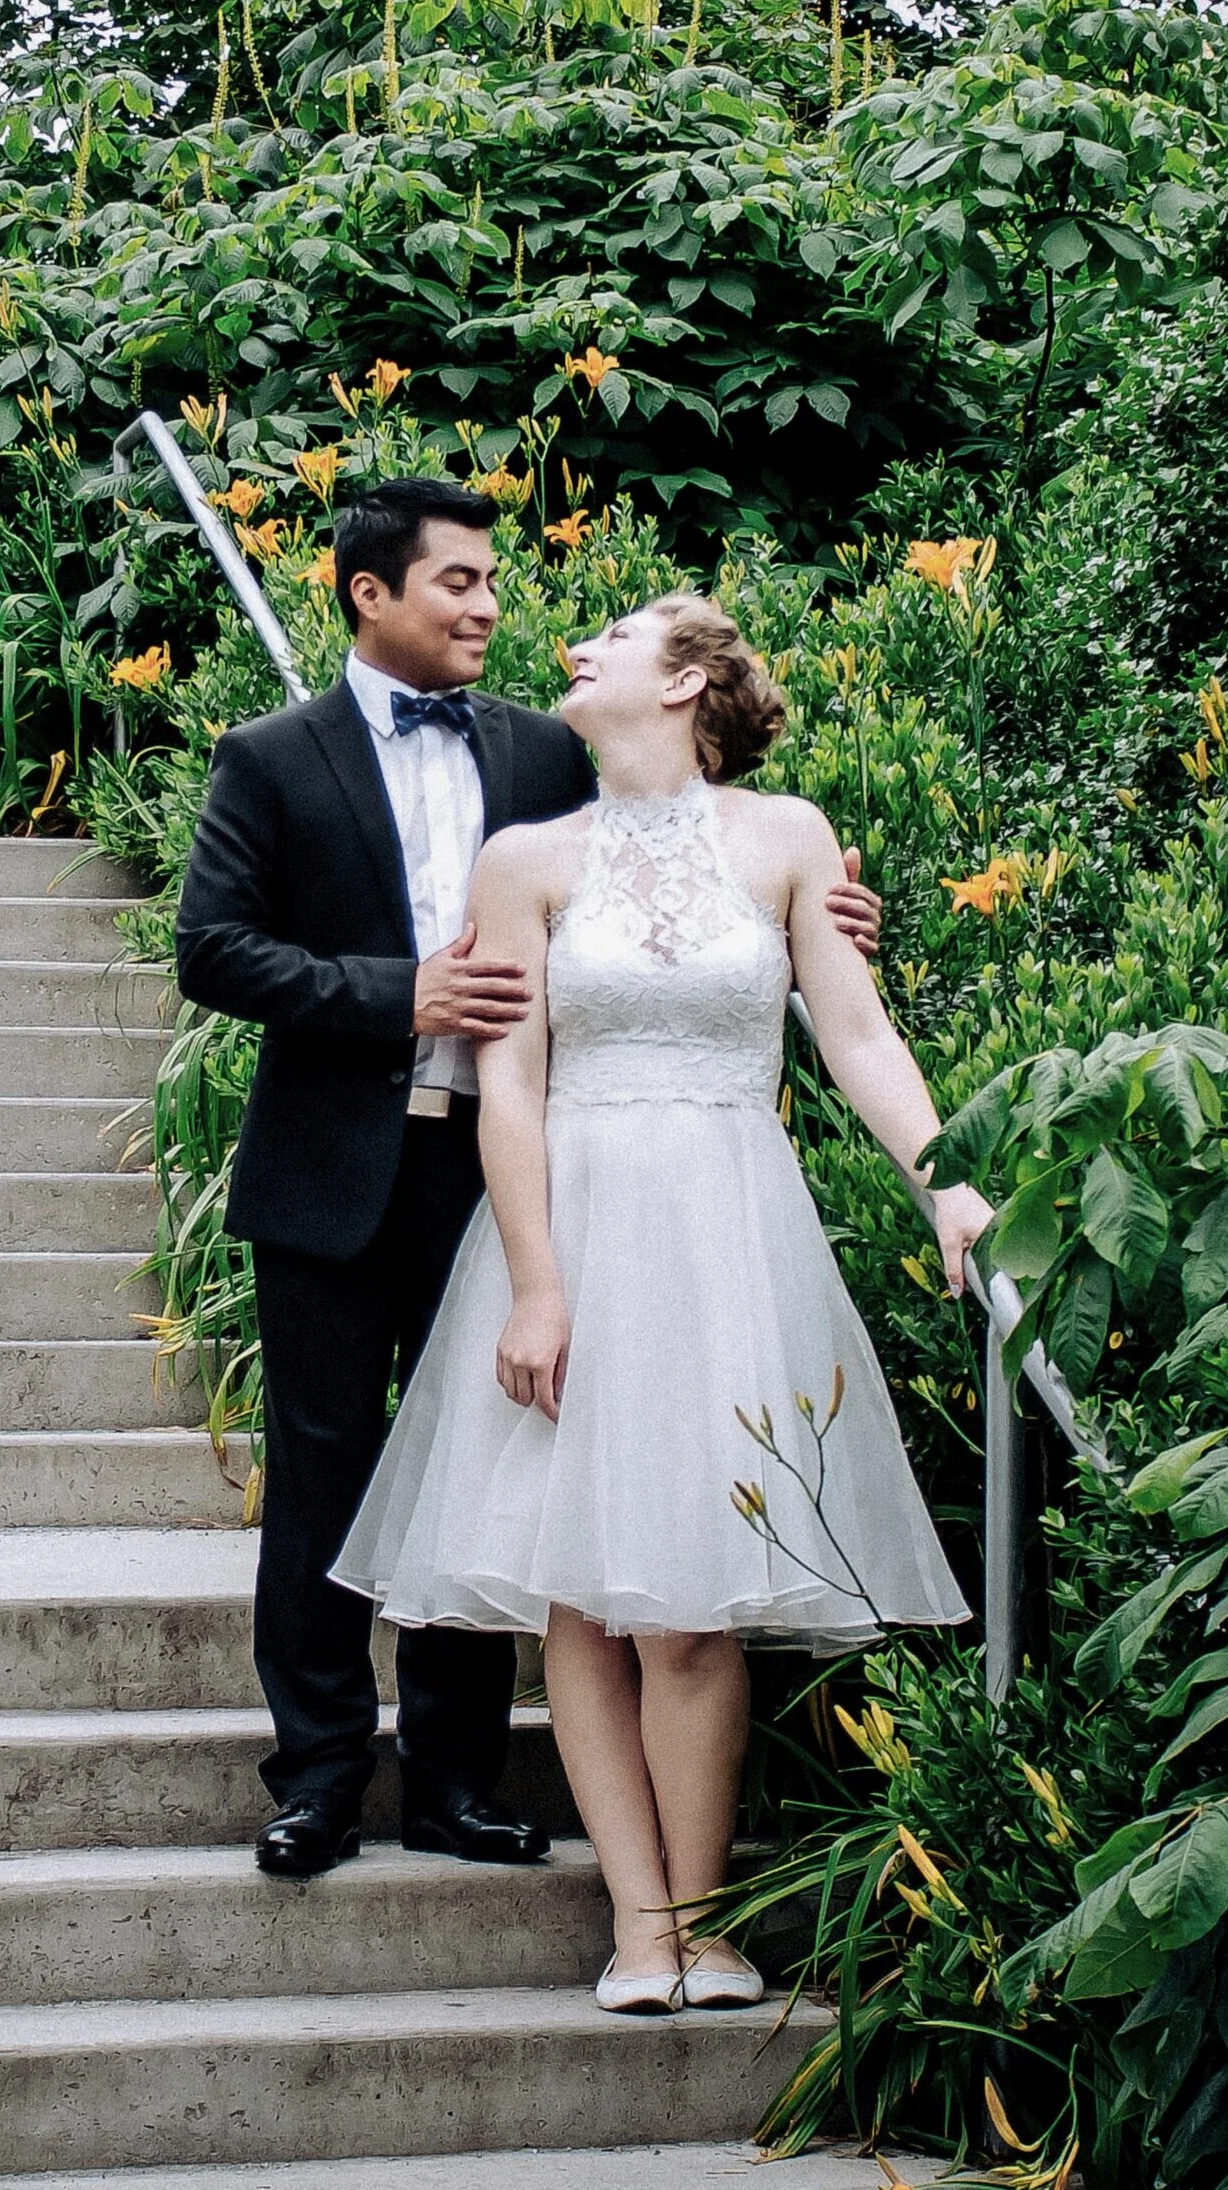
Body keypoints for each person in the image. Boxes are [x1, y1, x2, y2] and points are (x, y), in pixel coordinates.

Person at [175, 489, 882, 1881]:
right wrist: (400, 992)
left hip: (516, 1165)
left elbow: (673, 855)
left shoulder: (545, 752)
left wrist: (835, 908)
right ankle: (319, 1774)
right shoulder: (269, 757)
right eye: (456, 581)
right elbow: (214, 949)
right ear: (370, 594)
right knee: (324, 1470)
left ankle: (453, 1774)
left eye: (492, 579)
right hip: (333, 1167)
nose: (489, 606)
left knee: (489, 1469)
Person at [333, 590, 990, 2010]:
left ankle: (710, 1920)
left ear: (688, 679)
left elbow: (856, 1030)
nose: (576, 645)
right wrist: (537, 1286)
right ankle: (639, 1925)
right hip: (575, 1217)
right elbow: (506, 1089)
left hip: (730, 1227)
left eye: (613, 635)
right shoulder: (525, 860)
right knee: (583, 1593)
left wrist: (946, 1183)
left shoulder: (790, 838)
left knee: (696, 1607)